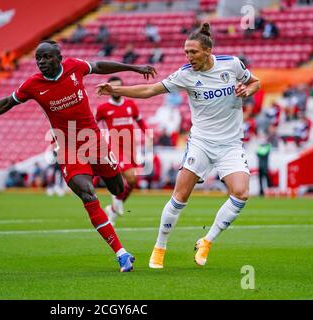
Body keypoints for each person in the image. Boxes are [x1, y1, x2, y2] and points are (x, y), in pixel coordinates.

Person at [0, 40, 157, 272]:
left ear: (58, 57)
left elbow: (99, 66)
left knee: (118, 188)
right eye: (38, 59)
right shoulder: (33, 85)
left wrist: (134, 69)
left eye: (46, 57)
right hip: (67, 147)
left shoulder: (75, 67)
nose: (41, 62)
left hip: (95, 141)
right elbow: (7, 102)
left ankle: (94, 176)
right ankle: (121, 253)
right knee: (87, 195)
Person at [97, 22, 260, 268]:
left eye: (193, 52)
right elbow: (150, 89)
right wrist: (117, 89)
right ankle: (160, 246)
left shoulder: (232, 64)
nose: (188, 56)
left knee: (241, 193)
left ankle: (207, 240)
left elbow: (255, 82)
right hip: (201, 143)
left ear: (207, 51)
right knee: (180, 196)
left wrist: (247, 90)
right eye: (186, 52)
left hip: (230, 144)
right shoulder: (185, 74)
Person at [95, 76, 148, 226]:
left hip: (131, 147)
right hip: (115, 147)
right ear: (109, 89)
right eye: (113, 86)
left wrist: (147, 135)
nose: (115, 89)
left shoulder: (131, 104)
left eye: (118, 86)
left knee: (133, 181)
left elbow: (140, 121)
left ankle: (112, 209)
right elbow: (93, 123)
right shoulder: (103, 109)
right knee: (130, 176)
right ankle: (116, 200)